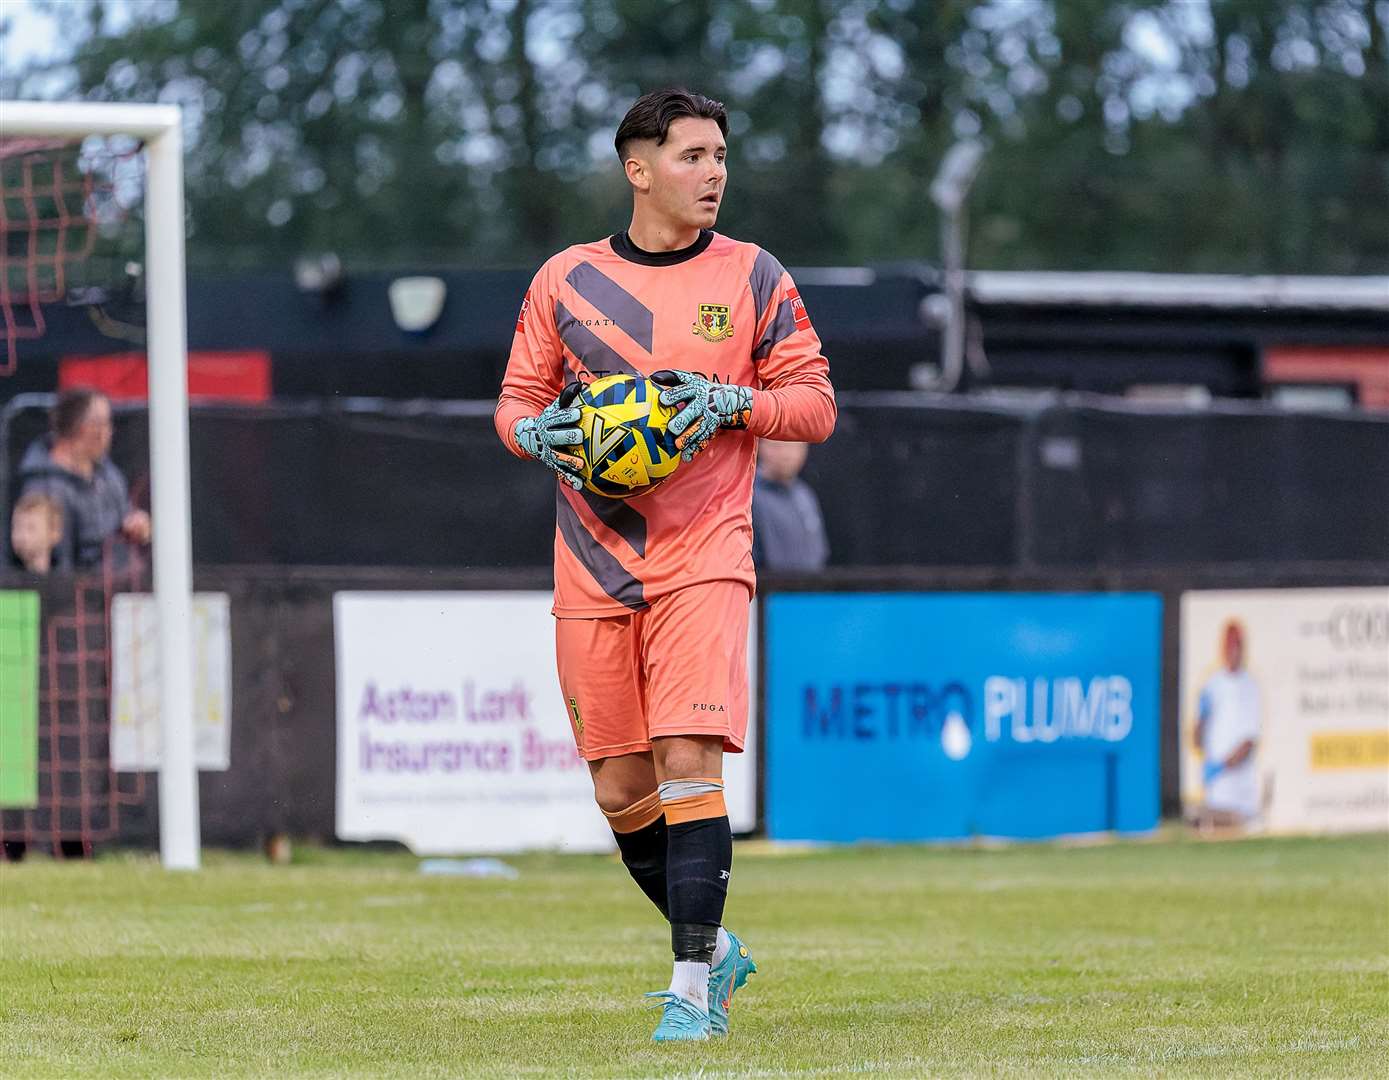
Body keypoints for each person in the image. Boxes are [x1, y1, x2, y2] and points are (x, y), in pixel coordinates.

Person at [494, 88, 835, 1042]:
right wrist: (539, 432)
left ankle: (689, 990)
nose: (714, 171)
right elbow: (513, 407)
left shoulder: (756, 275)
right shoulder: (565, 280)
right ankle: (718, 948)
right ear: (637, 170)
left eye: (720, 154)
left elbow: (812, 407)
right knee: (618, 788)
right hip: (592, 561)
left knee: (689, 760)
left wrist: (731, 403)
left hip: (704, 554)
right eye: (691, 155)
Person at [14, 388, 151, 571]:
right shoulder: (43, 485)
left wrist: (136, 527)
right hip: (76, 593)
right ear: (83, 428)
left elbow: (124, 519)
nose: (109, 432)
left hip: (125, 589)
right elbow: (56, 567)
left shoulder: (109, 475)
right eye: (104, 423)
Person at [1193, 619, 1261, 829]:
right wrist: (1201, 719)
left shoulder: (1249, 686)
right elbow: (1197, 739)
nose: (1233, 653)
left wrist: (1223, 765)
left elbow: (1249, 741)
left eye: (1237, 647)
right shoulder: (1213, 684)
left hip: (1240, 785)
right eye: (1229, 647)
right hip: (1216, 788)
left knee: (1242, 826)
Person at [751, 439, 828, 572]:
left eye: (794, 446)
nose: (786, 454)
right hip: (764, 589)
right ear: (760, 446)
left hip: (809, 589)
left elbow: (820, 554)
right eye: (777, 446)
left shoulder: (805, 495)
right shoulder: (748, 496)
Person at [8, 492, 64, 575]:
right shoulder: (5, 579)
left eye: (31, 528)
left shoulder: (66, 580)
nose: (22, 536)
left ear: (54, 533)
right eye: (17, 527)